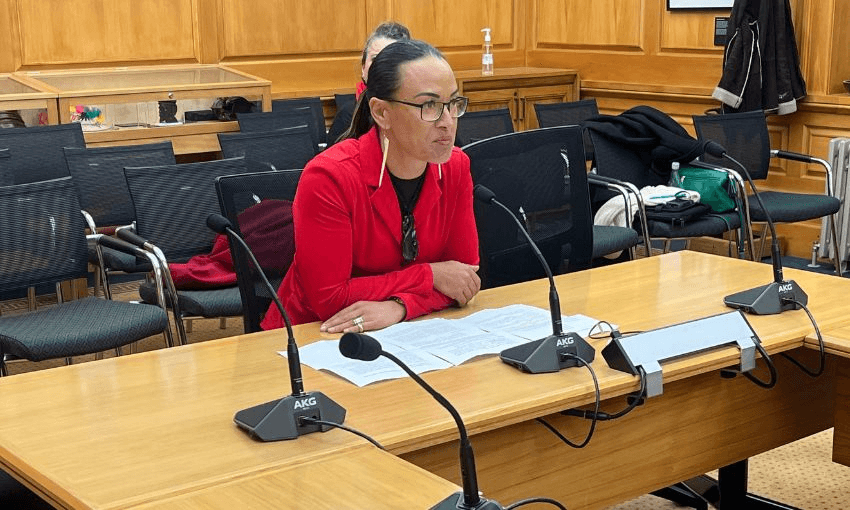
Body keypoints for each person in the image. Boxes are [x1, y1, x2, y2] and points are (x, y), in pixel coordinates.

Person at [261, 39, 480, 334]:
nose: (447, 122)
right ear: (381, 113)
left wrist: (400, 307)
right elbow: (330, 298)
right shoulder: (329, 177)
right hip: (313, 334)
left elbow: (464, 278)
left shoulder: (456, 166)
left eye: (453, 104)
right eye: (429, 105)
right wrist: (429, 275)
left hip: (410, 331)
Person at [356, 21, 410, 99]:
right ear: (363, 67)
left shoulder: (422, 109)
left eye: (391, 60)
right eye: (375, 59)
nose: (381, 67)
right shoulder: (347, 110)